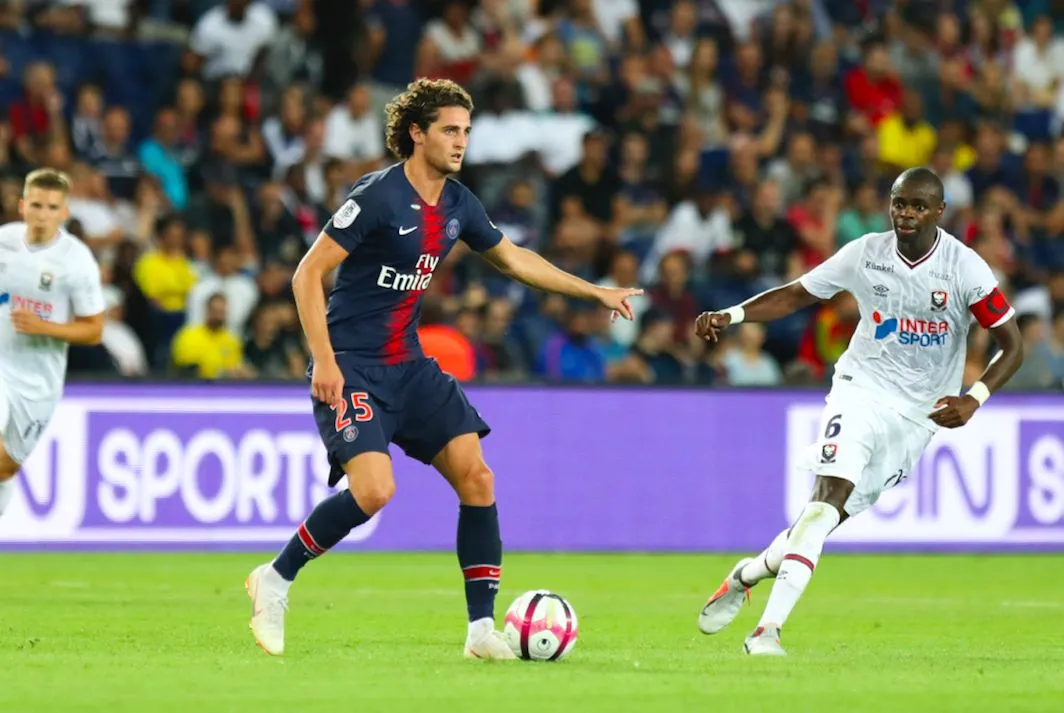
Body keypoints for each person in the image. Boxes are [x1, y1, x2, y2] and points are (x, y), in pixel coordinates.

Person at [244, 78, 642, 659]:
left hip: (409, 365)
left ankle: (481, 631)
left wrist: (594, 291)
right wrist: (324, 360)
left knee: (477, 478)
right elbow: (307, 274)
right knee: (374, 490)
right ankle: (275, 579)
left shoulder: (458, 203)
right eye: (449, 130)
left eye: (466, 132)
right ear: (417, 133)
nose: (460, 142)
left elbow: (514, 259)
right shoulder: (377, 196)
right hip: (353, 366)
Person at [694, 168, 1023, 656]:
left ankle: (747, 574)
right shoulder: (866, 253)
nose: (905, 214)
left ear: (939, 212)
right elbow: (796, 293)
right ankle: (766, 632)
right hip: (861, 390)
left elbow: (1012, 345)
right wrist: (732, 315)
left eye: (917, 206)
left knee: (823, 521)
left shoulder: (965, 268)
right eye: (898, 203)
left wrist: (974, 398)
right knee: (825, 500)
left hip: (918, 417)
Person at [0, 168, 106, 519]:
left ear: (64, 212)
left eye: (51, 207)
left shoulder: (77, 261)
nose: (42, 214)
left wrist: (44, 327)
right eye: (36, 205)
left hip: (38, 381)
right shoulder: (3, 242)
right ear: (22, 206)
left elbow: (94, 330)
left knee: (6, 469)